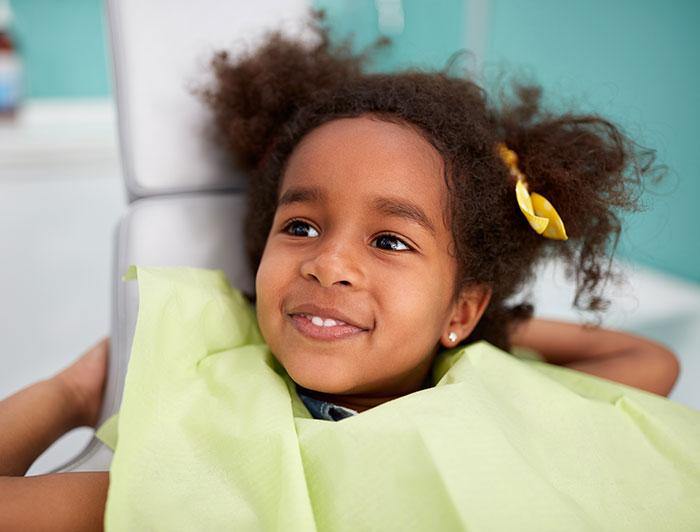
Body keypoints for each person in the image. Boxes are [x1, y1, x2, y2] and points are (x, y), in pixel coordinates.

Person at [0, 11, 685, 530]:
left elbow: (647, 361)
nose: (329, 263)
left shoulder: (499, 396)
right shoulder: (209, 445)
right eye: (299, 227)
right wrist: (75, 391)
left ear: (463, 309)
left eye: (389, 241)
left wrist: (483, 335)